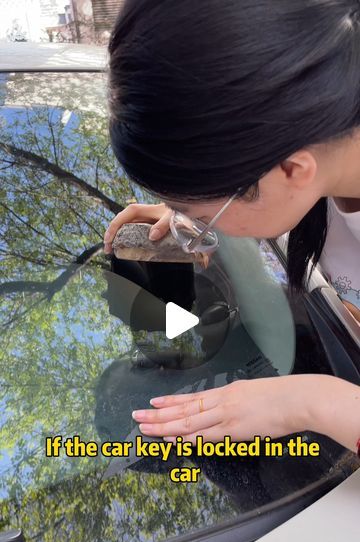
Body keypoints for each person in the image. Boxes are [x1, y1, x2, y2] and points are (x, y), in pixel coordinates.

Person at [104, 0, 360, 453]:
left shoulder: (305, 169)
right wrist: (195, 207)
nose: (192, 232)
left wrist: (313, 403)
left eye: (200, 221)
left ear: (289, 169)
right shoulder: (315, 173)